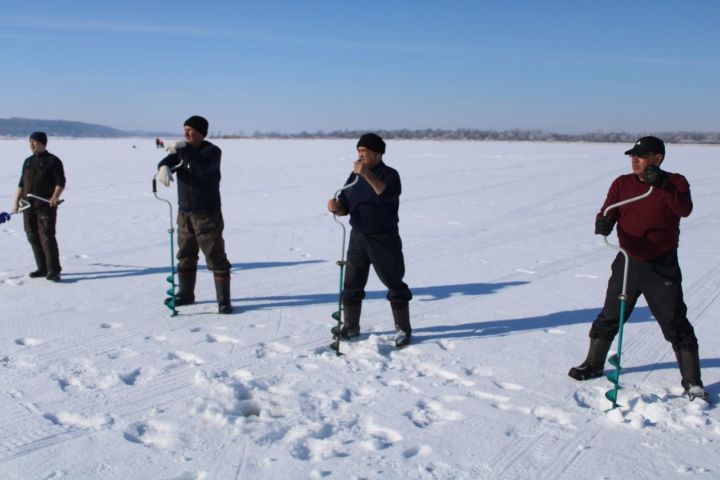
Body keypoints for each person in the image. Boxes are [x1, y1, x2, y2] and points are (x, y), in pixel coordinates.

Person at [568, 136, 708, 401]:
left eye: (641, 156)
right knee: (611, 315)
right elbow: (608, 211)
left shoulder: (676, 182)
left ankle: (693, 383)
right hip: (628, 262)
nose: (634, 159)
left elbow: (685, 209)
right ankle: (593, 364)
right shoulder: (622, 183)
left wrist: (663, 185)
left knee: (675, 322)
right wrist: (604, 222)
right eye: (633, 155)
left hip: (661, 265)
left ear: (658, 159)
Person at [327, 133, 413, 347]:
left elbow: (384, 194)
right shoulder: (354, 176)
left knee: (394, 283)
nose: (360, 155)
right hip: (358, 237)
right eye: (358, 151)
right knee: (352, 284)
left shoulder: (390, 175)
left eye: (364, 151)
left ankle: (403, 329)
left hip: (384, 238)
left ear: (378, 153)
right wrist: (337, 208)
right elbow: (346, 202)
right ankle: (351, 326)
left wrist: (366, 175)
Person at [156, 116, 232, 314]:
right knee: (186, 255)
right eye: (184, 130)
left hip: (207, 214)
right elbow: (168, 159)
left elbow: (202, 166)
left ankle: (224, 301)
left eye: (190, 130)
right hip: (184, 214)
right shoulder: (183, 152)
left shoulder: (212, 152)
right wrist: (163, 167)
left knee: (215, 256)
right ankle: (186, 294)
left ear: (201, 133)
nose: (186, 134)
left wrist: (184, 148)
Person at [12, 132, 66, 282]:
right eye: (30, 142)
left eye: (34, 142)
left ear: (42, 143)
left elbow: (60, 182)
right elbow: (21, 184)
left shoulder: (53, 161)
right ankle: (42, 268)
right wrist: (16, 202)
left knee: (46, 237)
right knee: (32, 236)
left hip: (44, 206)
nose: (31, 145)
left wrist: (55, 196)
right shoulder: (28, 161)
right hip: (27, 205)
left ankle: (54, 270)